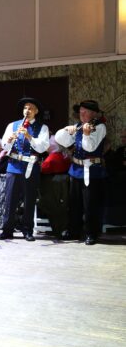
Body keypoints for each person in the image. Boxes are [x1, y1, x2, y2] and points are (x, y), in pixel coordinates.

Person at [55, 100, 107, 245]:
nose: (82, 114)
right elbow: (61, 140)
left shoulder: (100, 127)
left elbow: (90, 148)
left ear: (94, 113)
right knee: (74, 203)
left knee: (90, 204)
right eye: (81, 112)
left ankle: (91, 233)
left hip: (92, 171)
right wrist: (67, 130)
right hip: (76, 170)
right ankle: (73, 231)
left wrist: (86, 134)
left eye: (85, 112)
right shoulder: (78, 126)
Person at [0, 97, 50, 241]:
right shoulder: (12, 125)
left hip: (31, 166)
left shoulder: (42, 128)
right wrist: (9, 141)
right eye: (25, 108)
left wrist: (28, 136)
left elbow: (42, 147)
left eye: (31, 108)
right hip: (13, 165)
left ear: (36, 111)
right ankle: (7, 229)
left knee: (29, 199)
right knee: (10, 199)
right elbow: (4, 145)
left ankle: (27, 230)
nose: (27, 111)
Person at [38, 135, 71, 238]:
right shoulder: (64, 155)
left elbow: (43, 169)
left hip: (53, 187)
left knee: (49, 205)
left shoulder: (53, 157)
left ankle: (58, 229)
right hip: (63, 186)